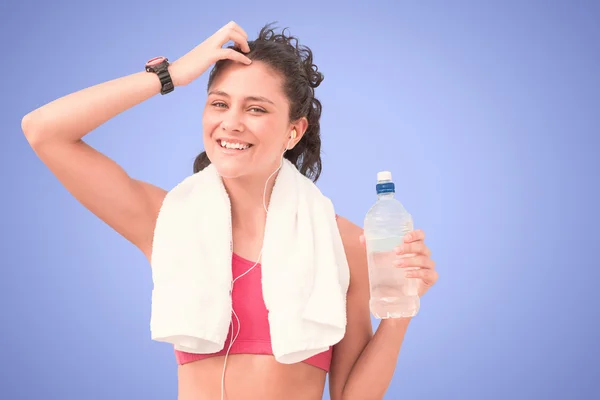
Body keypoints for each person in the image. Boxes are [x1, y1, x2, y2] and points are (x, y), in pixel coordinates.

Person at [21, 21, 438, 400]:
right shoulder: (167, 220)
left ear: (294, 131)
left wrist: (402, 310)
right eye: (219, 104)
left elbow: (352, 396)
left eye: (255, 108)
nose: (231, 122)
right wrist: (171, 75)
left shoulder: (341, 242)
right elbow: (44, 131)